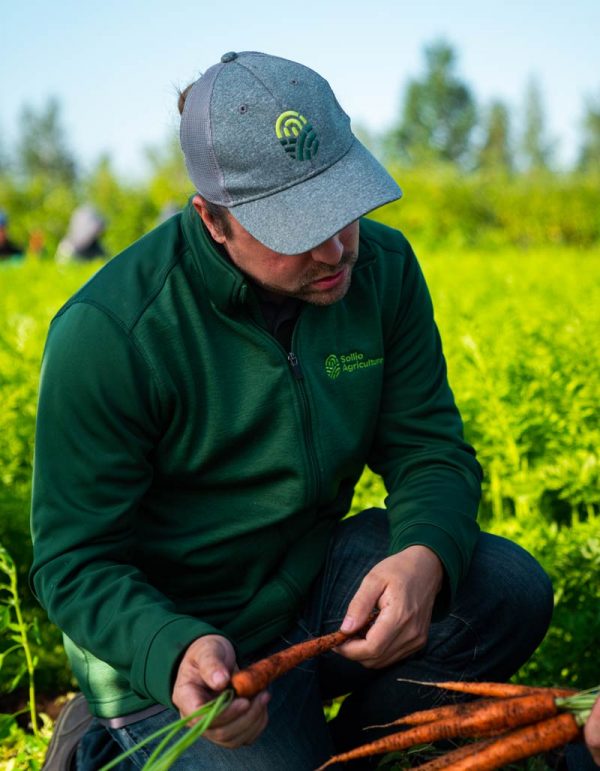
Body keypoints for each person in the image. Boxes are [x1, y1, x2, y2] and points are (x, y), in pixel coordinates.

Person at [31, 51, 554, 770]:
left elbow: (429, 447)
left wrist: (423, 554)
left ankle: (354, 751)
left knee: (507, 589)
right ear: (213, 221)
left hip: (310, 590)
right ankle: (104, 735)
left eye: (343, 208)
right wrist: (172, 648)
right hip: (186, 650)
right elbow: (74, 558)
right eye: (296, 227)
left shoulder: (383, 271)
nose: (337, 247)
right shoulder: (112, 332)